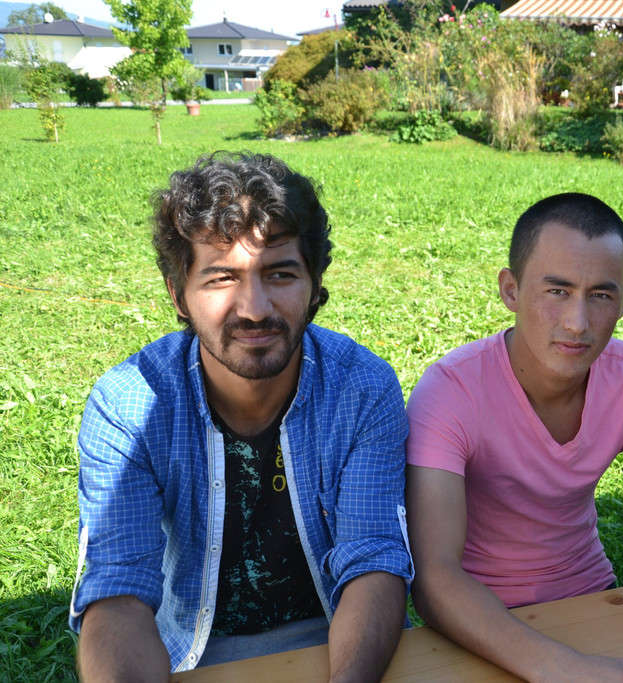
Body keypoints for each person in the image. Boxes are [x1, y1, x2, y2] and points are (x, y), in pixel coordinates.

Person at [69, 152, 412, 682]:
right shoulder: (127, 407)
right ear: (178, 294)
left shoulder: (362, 389)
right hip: (192, 651)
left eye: (280, 273)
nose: (254, 308)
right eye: (221, 278)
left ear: (315, 282)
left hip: (342, 639)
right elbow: (118, 591)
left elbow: (373, 561)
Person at [405, 193, 623, 683]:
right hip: (479, 620)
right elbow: (435, 576)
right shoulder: (450, 392)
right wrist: (564, 669)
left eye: (601, 295)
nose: (577, 323)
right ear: (510, 290)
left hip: (592, 594)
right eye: (557, 291)